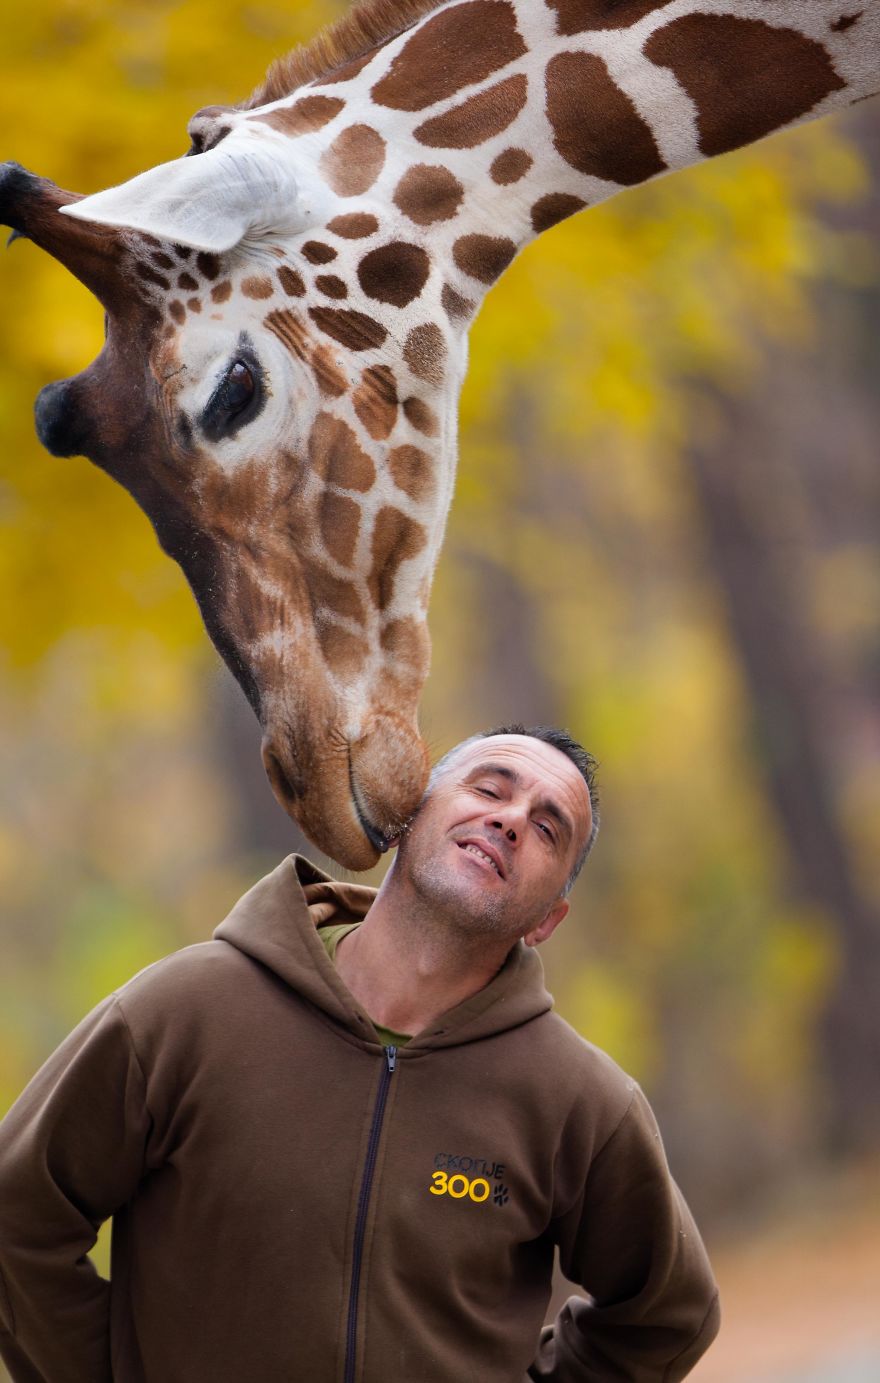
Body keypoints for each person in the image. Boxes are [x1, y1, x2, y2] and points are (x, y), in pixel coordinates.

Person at [0, 725, 720, 1381]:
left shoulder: (580, 1101)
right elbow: (18, 1212)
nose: (510, 820)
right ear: (406, 814)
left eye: (546, 827)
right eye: (488, 789)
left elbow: (668, 1315)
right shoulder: (186, 1009)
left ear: (548, 920)